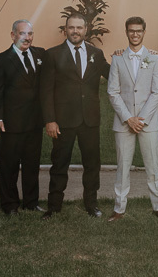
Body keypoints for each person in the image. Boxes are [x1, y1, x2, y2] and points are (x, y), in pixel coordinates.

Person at [40, 13, 110, 219]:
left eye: (79, 28)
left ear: (86, 30)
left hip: (90, 120)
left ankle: (91, 204)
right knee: (59, 163)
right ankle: (54, 206)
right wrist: (50, 120)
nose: (75, 31)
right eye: (71, 27)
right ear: (65, 30)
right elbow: (46, 91)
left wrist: (129, 57)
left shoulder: (96, 53)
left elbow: (113, 74)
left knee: (92, 164)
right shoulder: (52, 54)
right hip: (63, 121)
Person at [106, 17, 158, 221]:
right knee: (122, 167)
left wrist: (140, 119)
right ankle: (119, 208)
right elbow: (112, 92)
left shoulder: (154, 58)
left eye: (139, 31)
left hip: (148, 122)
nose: (135, 34)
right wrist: (128, 119)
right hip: (124, 122)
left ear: (144, 32)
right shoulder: (117, 58)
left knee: (152, 166)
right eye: (131, 31)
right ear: (126, 32)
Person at [0, 19, 46, 215]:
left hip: (34, 123)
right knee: (9, 167)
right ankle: (10, 205)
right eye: (22, 33)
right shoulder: (1, 60)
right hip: (10, 124)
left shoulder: (40, 55)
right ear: (13, 35)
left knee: (32, 165)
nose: (27, 38)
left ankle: (31, 202)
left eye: (30, 34)